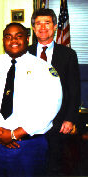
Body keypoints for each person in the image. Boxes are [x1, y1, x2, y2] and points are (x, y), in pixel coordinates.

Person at [0, 23, 63, 177]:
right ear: (3, 40)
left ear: (27, 38)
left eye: (19, 36)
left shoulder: (43, 69)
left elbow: (51, 106)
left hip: (28, 144)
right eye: (8, 37)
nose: (13, 40)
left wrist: (15, 134)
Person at [28, 8, 81, 176]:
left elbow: (74, 90)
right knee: (29, 164)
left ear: (56, 27)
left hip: (57, 122)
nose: (43, 27)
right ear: (33, 28)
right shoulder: (23, 53)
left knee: (54, 166)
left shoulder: (68, 55)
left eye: (47, 23)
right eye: (38, 24)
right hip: (28, 120)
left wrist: (70, 119)